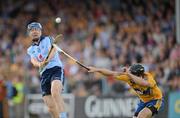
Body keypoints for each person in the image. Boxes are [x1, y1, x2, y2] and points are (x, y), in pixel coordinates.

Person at [88, 64, 164, 118]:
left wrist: (129, 74)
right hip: (143, 101)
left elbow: (143, 83)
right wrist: (97, 69)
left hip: (156, 100)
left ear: (139, 75)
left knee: (142, 116)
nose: (129, 76)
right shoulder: (128, 77)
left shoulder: (148, 78)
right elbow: (111, 73)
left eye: (131, 74)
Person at [27, 22, 67, 118]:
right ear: (29, 33)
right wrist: (39, 64)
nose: (34, 31)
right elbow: (33, 60)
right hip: (44, 74)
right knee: (50, 106)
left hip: (55, 69)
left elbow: (53, 50)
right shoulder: (30, 49)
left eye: (37, 29)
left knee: (55, 92)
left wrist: (47, 60)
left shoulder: (48, 39)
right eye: (32, 30)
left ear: (40, 31)